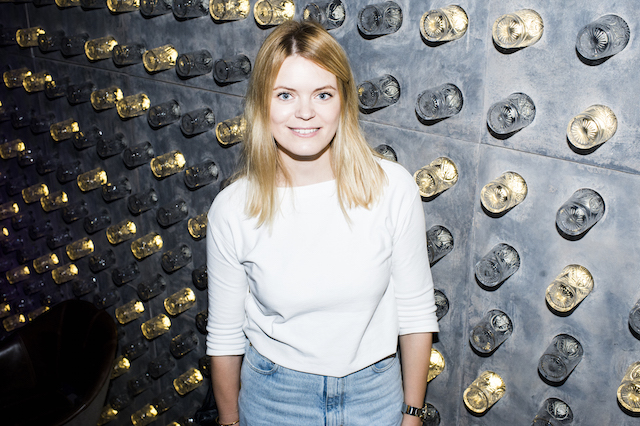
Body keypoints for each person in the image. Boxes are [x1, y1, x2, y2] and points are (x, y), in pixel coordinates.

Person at [206, 20, 439, 426]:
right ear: (262, 103)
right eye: (285, 95)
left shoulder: (392, 188)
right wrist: (229, 420)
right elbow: (225, 336)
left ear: (343, 102)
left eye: (323, 94)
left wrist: (413, 413)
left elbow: (416, 312)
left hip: (375, 396)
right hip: (275, 400)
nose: (305, 112)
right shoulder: (232, 209)